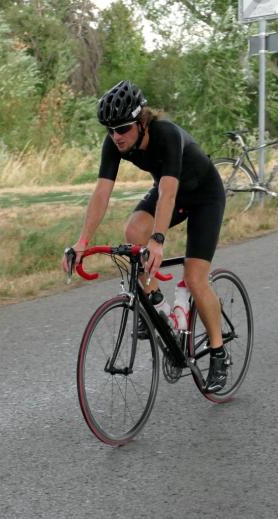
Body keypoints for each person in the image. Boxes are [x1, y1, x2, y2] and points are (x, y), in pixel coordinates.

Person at [61, 80, 228, 392]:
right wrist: (82, 241)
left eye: (123, 128)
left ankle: (219, 353)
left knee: (195, 277)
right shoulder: (115, 143)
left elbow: (168, 192)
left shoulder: (166, 135)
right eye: (110, 130)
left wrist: (158, 240)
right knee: (133, 232)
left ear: (141, 122)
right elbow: (101, 192)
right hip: (170, 193)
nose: (116, 136)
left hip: (204, 196)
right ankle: (159, 309)